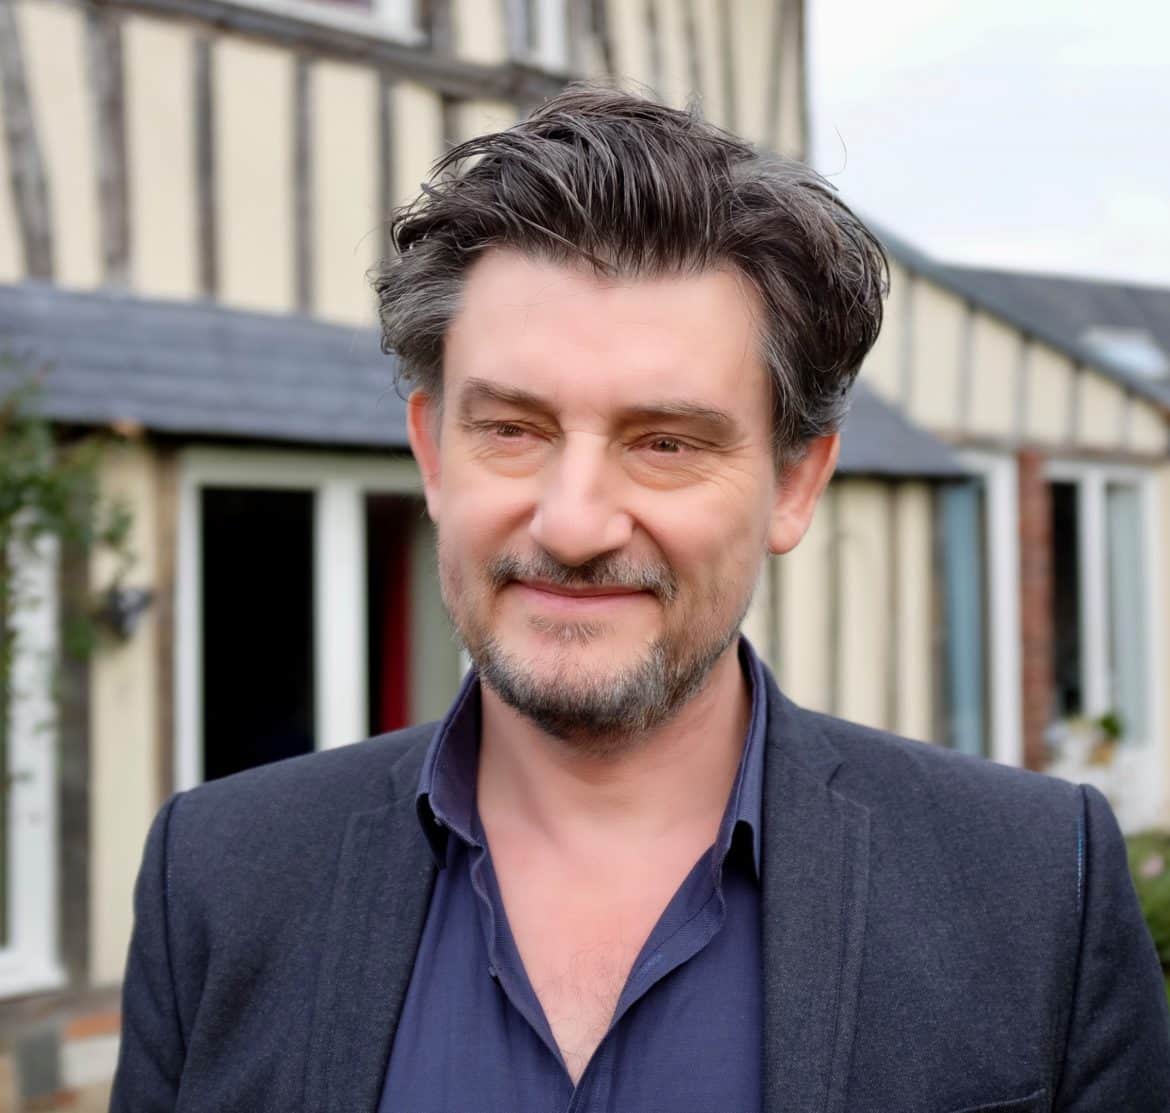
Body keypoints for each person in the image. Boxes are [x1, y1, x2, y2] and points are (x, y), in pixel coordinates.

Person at [111, 86, 1170, 1112]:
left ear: (794, 485)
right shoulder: (217, 879)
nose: (574, 524)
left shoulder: (1040, 888)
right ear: (432, 454)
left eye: (665, 443)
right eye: (512, 430)